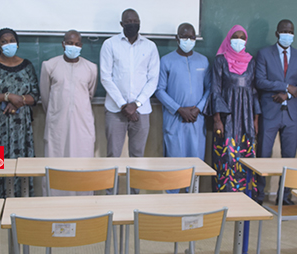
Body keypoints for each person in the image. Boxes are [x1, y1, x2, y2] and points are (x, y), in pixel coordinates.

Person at [0, 28, 39, 198]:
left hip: (21, 129)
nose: (9, 44)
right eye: (4, 41)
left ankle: (19, 211)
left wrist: (19, 101)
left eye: (12, 40)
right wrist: (8, 96)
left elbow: (35, 95)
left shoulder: (27, 66)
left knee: (20, 170)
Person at [254, 19, 297, 205]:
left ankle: (284, 196)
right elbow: (260, 81)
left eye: (291, 31)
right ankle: (259, 195)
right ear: (277, 33)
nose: (288, 34)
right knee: (263, 155)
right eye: (285, 31)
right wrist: (286, 86)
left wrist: (287, 94)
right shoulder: (263, 54)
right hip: (269, 111)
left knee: (289, 157)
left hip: (291, 114)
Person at [39, 30, 98, 196]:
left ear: (81, 46)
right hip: (57, 125)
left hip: (82, 126)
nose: (74, 47)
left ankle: (83, 209)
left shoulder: (91, 68)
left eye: (77, 44)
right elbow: (45, 96)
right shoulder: (50, 65)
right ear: (63, 44)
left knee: (83, 167)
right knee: (56, 165)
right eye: (70, 43)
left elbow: (90, 94)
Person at [100, 9, 160, 164]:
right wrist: (123, 105)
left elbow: (153, 80)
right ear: (122, 24)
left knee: (137, 157)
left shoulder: (150, 47)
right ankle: (111, 190)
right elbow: (106, 78)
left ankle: (133, 190)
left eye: (135, 21)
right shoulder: (109, 44)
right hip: (115, 110)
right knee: (113, 156)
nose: (132, 24)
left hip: (141, 111)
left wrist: (136, 104)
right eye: (128, 22)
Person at [208, 25, 260, 193]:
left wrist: (256, 119)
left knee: (245, 156)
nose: (239, 40)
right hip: (226, 116)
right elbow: (215, 90)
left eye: (242, 37)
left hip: (246, 117)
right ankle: (224, 195)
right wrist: (217, 120)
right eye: (235, 37)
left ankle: (244, 196)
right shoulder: (220, 60)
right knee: (226, 156)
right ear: (229, 39)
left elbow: (254, 90)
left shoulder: (251, 61)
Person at [155, 23, 210, 166]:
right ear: (177, 38)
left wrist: (198, 109)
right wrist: (179, 109)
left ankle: (192, 190)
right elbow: (159, 90)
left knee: (196, 163)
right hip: (175, 119)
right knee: (174, 163)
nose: (188, 41)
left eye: (191, 37)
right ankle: (173, 190)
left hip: (196, 119)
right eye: (184, 37)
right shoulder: (166, 61)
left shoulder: (203, 61)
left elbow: (210, 88)